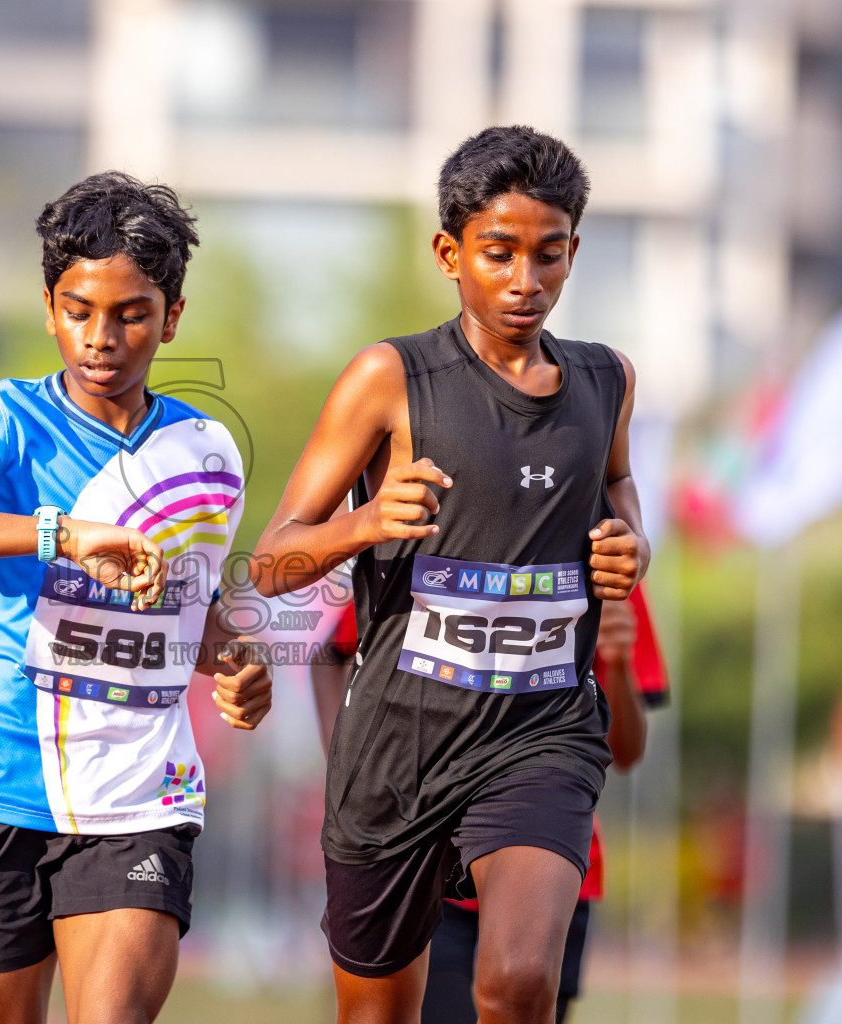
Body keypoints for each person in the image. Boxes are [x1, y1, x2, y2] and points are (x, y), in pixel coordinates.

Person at [251, 125, 649, 1024]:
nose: (525, 281)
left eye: (549, 256)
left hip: (542, 733)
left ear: (574, 253)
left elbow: (619, 486)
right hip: (400, 742)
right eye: (498, 254)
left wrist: (635, 542)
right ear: (450, 252)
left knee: (516, 985)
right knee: (379, 1013)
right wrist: (363, 522)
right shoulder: (389, 377)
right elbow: (274, 559)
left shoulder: (607, 381)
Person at [0, 171, 273, 1024]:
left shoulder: (203, 455)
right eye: (80, 310)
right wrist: (59, 534)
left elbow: (192, 608)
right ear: (50, 306)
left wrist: (235, 661)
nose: (101, 337)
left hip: (136, 785)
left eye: (131, 313)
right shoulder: (1, 421)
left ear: (172, 316)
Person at [421, 590, 668, 1023]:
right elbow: (335, 651)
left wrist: (620, 661)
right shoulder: (432, 534)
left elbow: (626, 752)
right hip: (436, 861)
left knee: (524, 994)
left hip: (555, 866)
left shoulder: (607, 559)